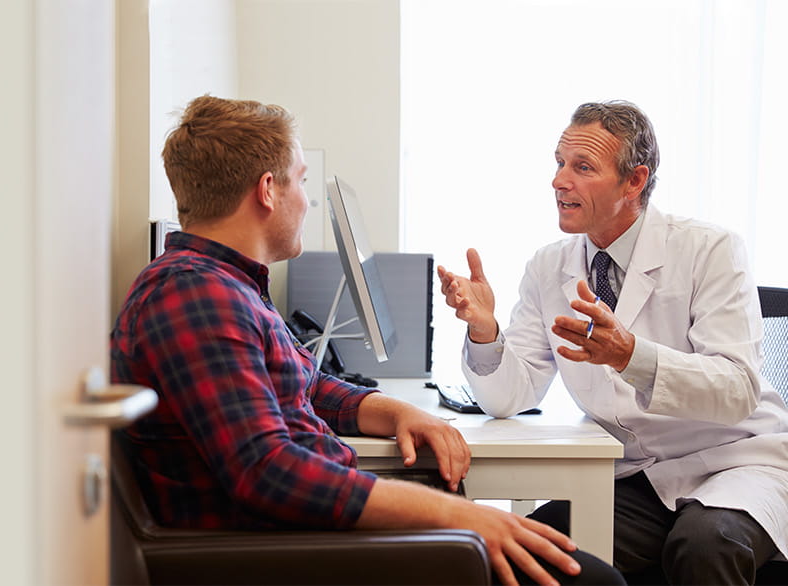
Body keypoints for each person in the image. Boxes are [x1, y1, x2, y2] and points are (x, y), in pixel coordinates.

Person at [112, 94, 621, 586]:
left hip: (304, 541)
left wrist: (400, 413)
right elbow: (269, 473)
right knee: (590, 579)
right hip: (282, 555)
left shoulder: (228, 286)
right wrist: (461, 518)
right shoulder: (197, 296)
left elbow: (309, 388)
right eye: (301, 182)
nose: (306, 201)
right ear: (268, 190)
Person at [438, 100, 788, 585]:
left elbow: (737, 389)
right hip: (638, 478)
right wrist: (484, 331)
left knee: (704, 545)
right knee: (522, 553)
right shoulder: (548, 266)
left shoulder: (710, 250)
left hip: (735, 463)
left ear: (635, 182)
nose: (560, 181)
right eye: (559, 163)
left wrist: (631, 356)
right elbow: (509, 397)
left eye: (582, 167)